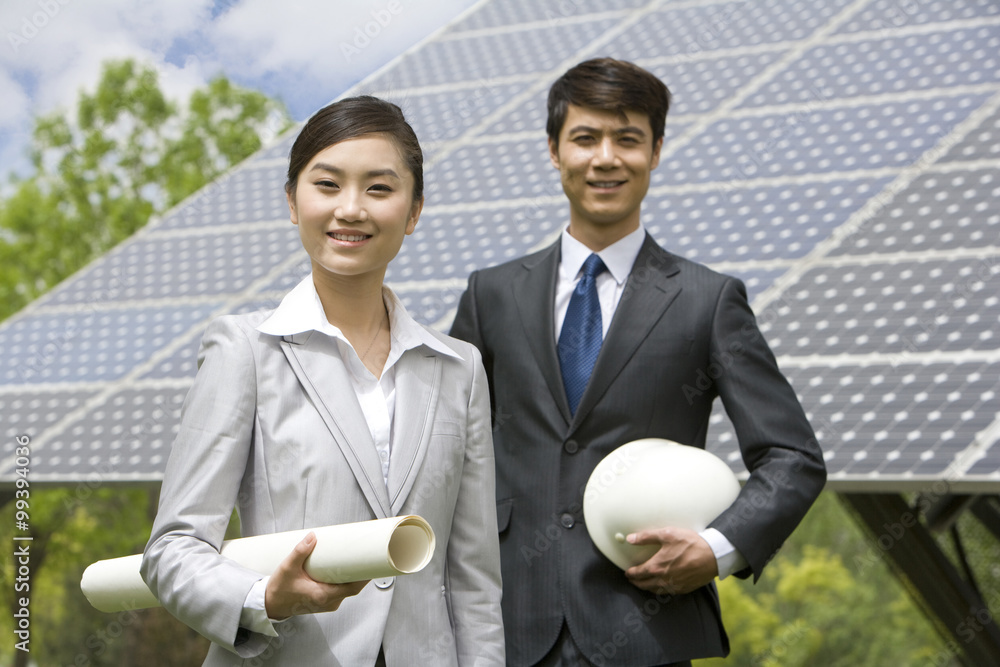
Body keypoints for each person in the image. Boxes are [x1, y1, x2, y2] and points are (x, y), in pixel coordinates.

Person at [450, 58, 827, 666]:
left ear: (655, 152)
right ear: (553, 150)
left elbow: (792, 457)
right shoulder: (490, 295)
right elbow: (447, 449)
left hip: (648, 627)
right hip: (504, 626)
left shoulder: (708, 299)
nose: (605, 158)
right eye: (585, 138)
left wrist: (717, 547)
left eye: (627, 139)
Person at [141, 96, 504, 666]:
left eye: (380, 189)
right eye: (327, 185)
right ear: (293, 201)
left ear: (414, 212)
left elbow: (474, 578)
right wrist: (263, 598)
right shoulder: (244, 351)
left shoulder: (459, 368)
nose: (352, 209)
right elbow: (173, 549)